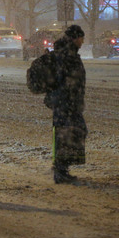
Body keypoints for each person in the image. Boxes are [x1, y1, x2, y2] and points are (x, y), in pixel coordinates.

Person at [45, 24, 87, 184]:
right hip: (65, 102)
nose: (82, 42)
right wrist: (69, 98)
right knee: (68, 133)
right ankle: (60, 170)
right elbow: (66, 79)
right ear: (75, 38)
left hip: (65, 101)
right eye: (81, 38)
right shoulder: (66, 55)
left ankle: (61, 168)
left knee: (70, 133)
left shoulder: (65, 52)